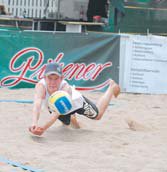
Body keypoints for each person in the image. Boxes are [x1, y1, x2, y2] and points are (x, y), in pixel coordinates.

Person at [29, 62, 120, 136]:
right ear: (44, 78)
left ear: (61, 78)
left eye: (56, 79)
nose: (53, 82)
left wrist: (43, 128)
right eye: (50, 78)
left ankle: (111, 87)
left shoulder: (65, 88)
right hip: (58, 106)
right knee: (68, 125)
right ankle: (72, 117)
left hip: (76, 103)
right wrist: (34, 123)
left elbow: (55, 114)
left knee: (98, 115)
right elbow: (37, 105)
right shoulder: (40, 86)